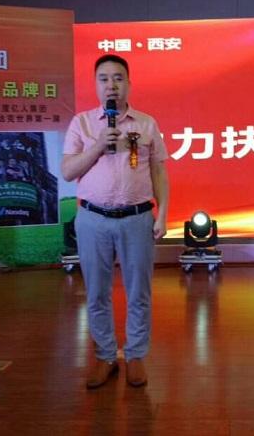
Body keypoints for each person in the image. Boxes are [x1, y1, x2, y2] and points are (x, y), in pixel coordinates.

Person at [62, 54, 169, 389]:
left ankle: (135, 355)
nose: (112, 85)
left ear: (129, 83)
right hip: (92, 219)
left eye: (118, 78)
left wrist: (163, 212)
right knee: (96, 293)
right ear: (96, 85)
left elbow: (158, 171)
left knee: (139, 292)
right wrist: (98, 146)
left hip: (137, 218)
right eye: (104, 78)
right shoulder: (81, 123)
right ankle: (105, 356)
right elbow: (67, 172)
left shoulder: (146, 124)